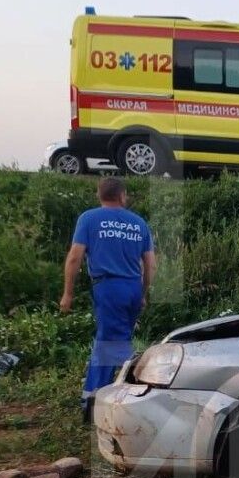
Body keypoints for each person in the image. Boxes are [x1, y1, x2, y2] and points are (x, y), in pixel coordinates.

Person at [60, 177, 156, 419]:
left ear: (99, 195)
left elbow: (74, 258)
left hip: (109, 287)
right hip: (133, 286)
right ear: (122, 196)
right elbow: (150, 264)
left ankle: (97, 401)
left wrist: (68, 294)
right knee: (116, 340)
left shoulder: (89, 218)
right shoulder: (138, 223)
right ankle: (114, 395)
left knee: (109, 344)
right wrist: (143, 293)